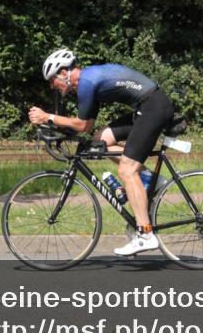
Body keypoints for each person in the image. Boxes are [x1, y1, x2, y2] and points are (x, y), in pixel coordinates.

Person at [28, 48, 175, 255]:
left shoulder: (87, 83)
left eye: (52, 80)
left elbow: (81, 125)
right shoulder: (88, 82)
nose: (52, 85)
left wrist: (47, 118)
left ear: (63, 73)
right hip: (150, 106)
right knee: (101, 140)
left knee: (126, 171)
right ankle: (151, 178)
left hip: (153, 108)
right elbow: (88, 127)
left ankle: (145, 234)